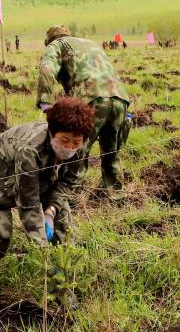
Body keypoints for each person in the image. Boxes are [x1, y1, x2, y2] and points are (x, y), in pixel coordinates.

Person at [0, 96, 93, 307]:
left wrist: (50, 213)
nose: (70, 147)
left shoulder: (80, 147)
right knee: (0, 233)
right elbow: (28, 204)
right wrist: (42, 249)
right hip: (0, 172)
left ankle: (63, 288)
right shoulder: (30, 149)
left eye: (76, 142)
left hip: (42, 174)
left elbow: (67, 183)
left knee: (64, 229)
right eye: (65, 141)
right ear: (52, 132)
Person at [37, 25, 131, 201]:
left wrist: (46, 104)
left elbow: (46, 69)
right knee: (111, 151)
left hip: (91, 98)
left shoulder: (57, 44)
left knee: (76, 149)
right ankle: (117, 196)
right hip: (119, 97)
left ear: (50, 40)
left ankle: (67, 198)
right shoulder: (89, 43)